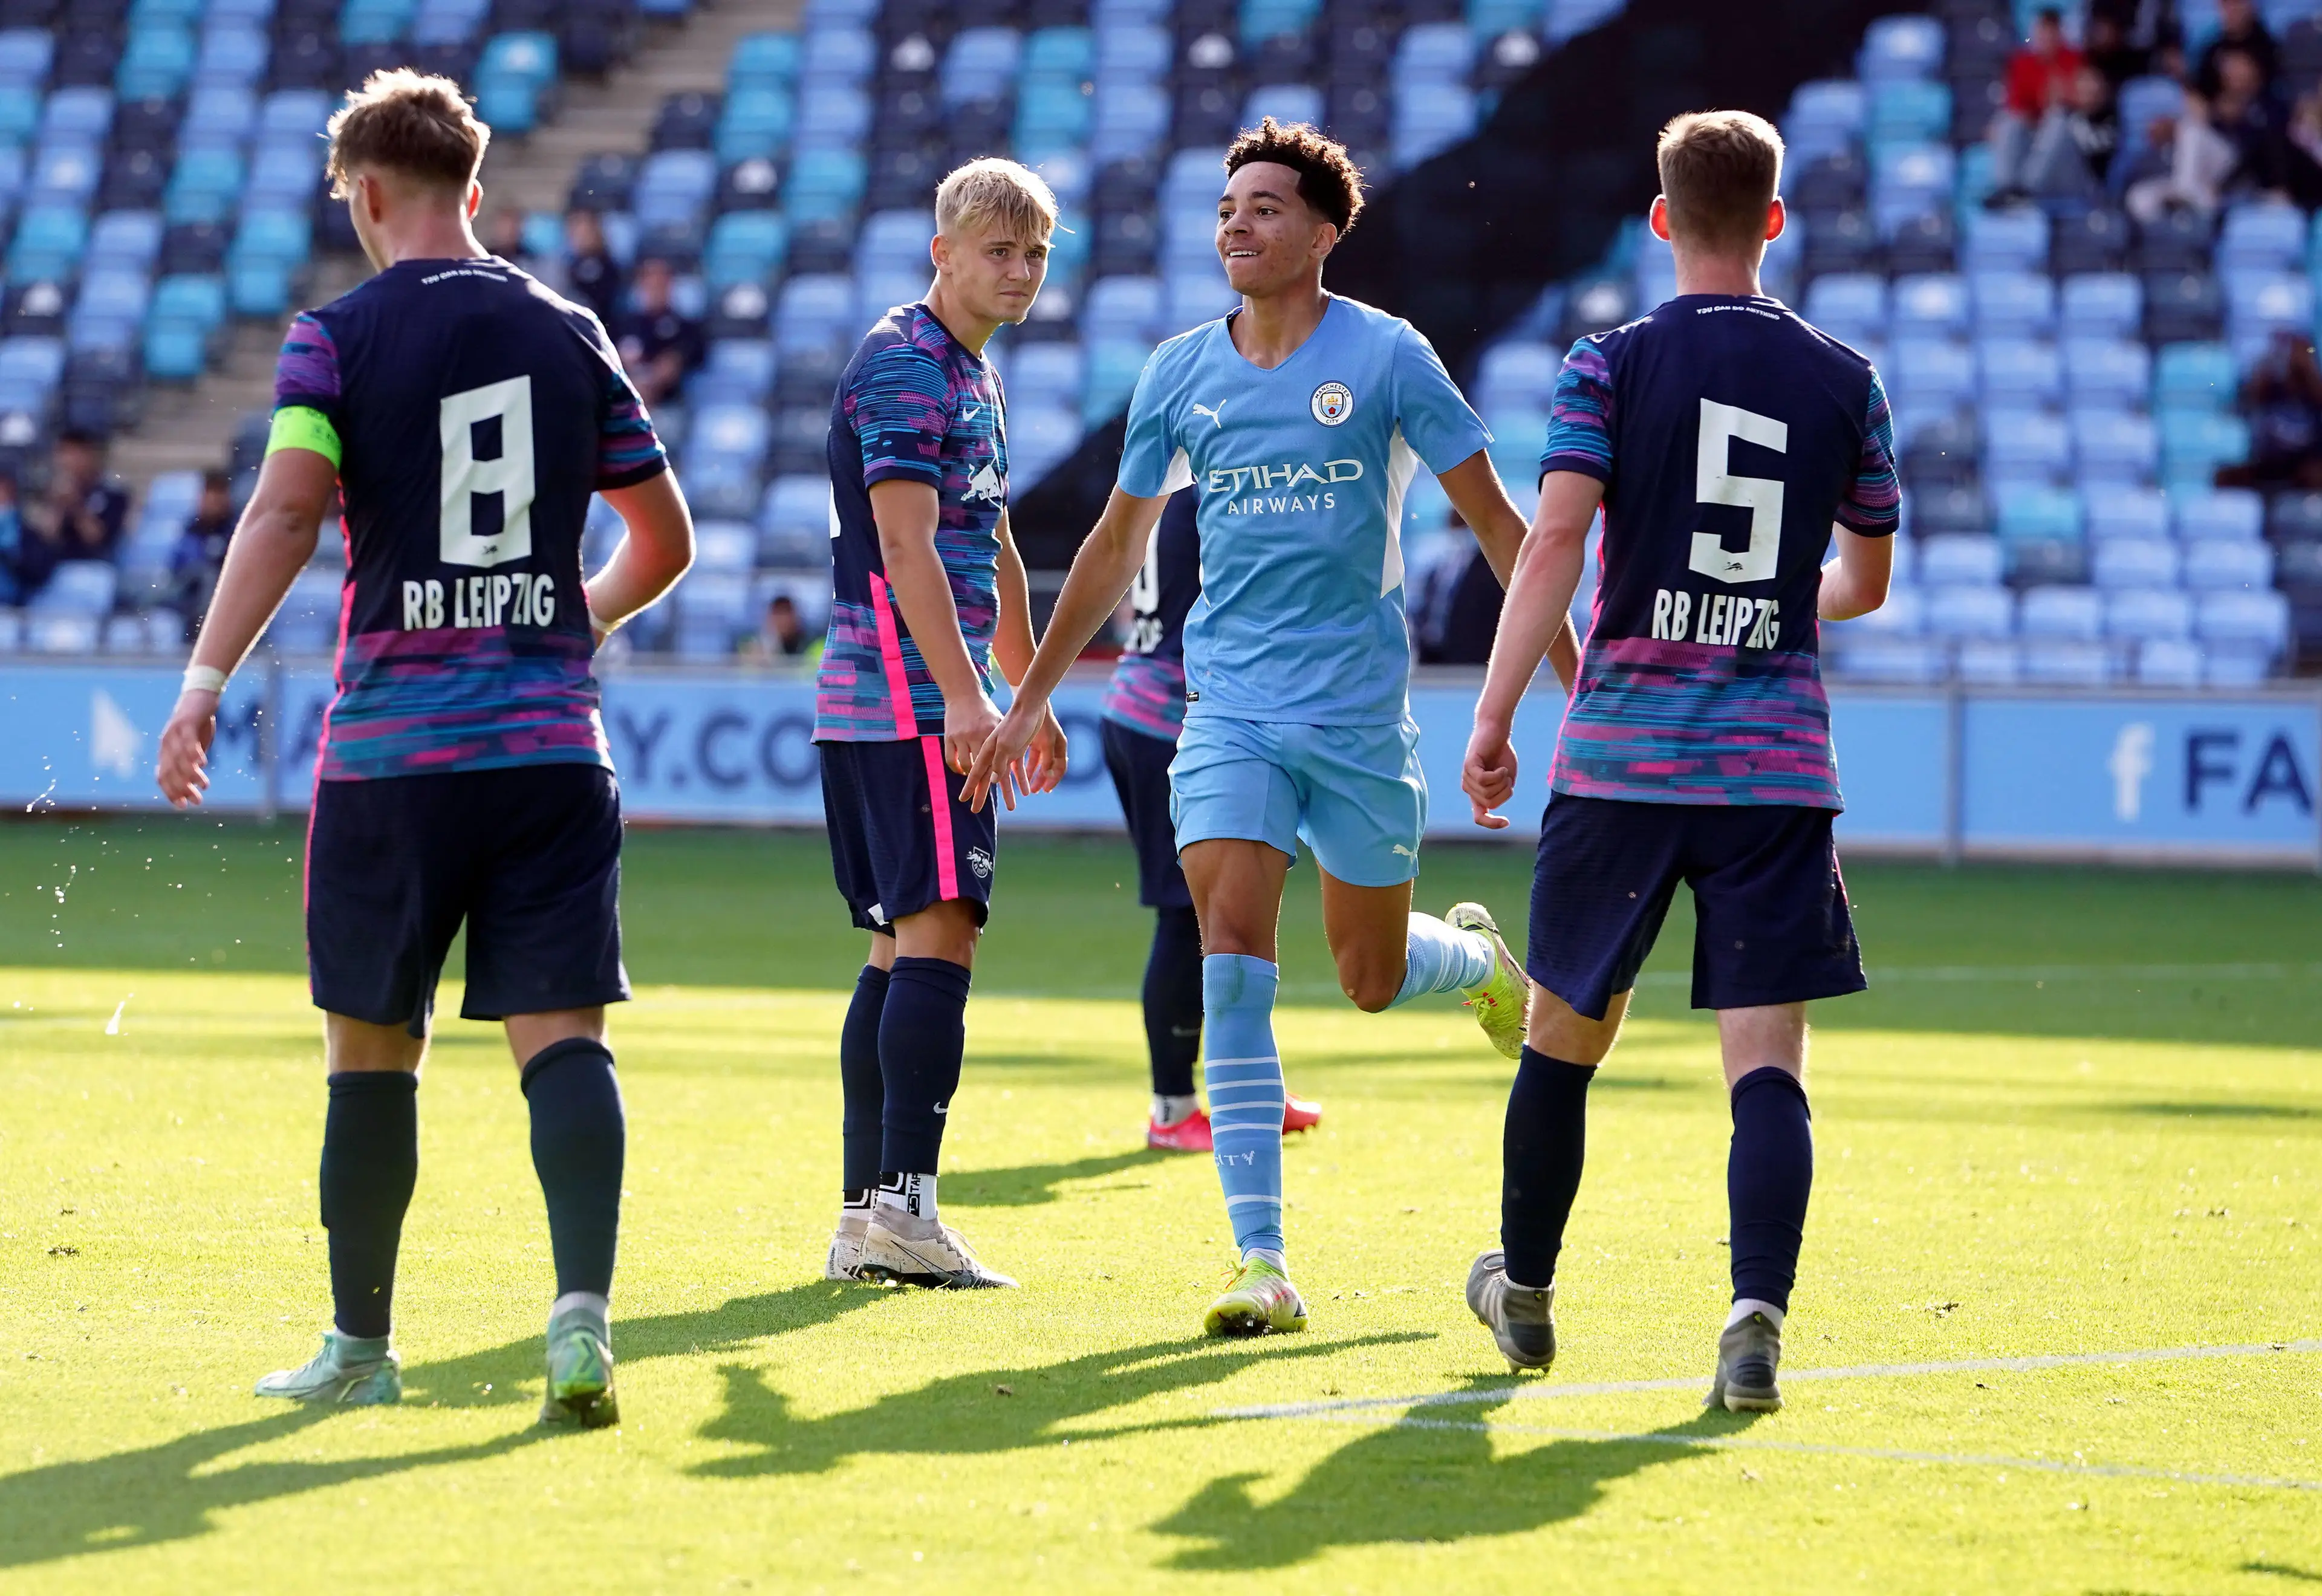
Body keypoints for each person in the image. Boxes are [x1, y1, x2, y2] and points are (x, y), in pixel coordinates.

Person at [968, 118, 1578, 1338]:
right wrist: (1028, 695)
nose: (1237, 225)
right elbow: (1114, 546)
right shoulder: (1179, 372)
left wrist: (1580, 685)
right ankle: (1263, 1261)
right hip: (1229, 712)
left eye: (1264, 207)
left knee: (1367, 977)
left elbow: (1506, 530)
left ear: (1325, 233)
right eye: (1226, 208)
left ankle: (1473, 963)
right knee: (1231, 954)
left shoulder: (1391, 357)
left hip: (1357, 719)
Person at [152, 70, 695, 1426]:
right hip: (551, 748)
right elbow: (664, 538)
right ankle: (580, 1322)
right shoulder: (571, 331)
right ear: (476, 189)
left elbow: (286, 515)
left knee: (371, 1053)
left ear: (370, 194)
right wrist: (574, 621)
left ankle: (361, 1348)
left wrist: (204, 682)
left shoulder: (330, 342)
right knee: (564, 1039)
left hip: (395, 757)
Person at [1458, 110, 1898, 1410]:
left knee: (1562, 1035)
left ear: (1661, 219)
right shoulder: (1846, 378)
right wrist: (1781, 594)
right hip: (1774, 769)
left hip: (1623, 762)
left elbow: (1554, 544)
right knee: (1768, 1062)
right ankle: (1755, 1311)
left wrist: (1494, 716)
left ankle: (1527, 1292)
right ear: (1774, 220)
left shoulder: (1610, 362)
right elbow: (1865, 583)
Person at [814, 157, 1067, 1292]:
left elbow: (992, 541)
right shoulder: (908, 366)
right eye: (998, 252)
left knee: (896, 943)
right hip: (909, 702)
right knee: (941, 935)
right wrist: (968, 698)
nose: (1020, 272)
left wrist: (1026, 690)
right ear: (943, 253)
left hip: (910, 700)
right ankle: (904, 1214)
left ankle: (867, 1220)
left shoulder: (971, 372)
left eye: (1035, 255)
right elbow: (906, 544)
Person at [1099, 487, 1322, 1153]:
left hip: (1149, 706)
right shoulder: (1224, 486)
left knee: (1233, 910)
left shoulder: (1167, 488)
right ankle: (1172, 1111)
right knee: (1188, 915)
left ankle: (1248, 1086)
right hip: (1176, 722)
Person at [1987, 9, 2086, 207]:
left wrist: (2062, 98)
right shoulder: (2022, 62)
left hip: (2069, 143)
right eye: (2042, 32)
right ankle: (2005, 187)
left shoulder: (2076, 59)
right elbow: (2017, 107)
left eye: (2051, 32)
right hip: (2033, 131)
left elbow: (2085, 101)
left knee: (2058, 120)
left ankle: (2026, 190)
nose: (2046, 38)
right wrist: (2042, 105)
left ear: (2059, 33)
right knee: (2008, 123)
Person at [2219, 329, 2322, 490]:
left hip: (2307, 463)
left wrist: (2307, 373)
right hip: (2266, 461)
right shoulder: (2266, 388)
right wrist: (2267, 372)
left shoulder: (2312, 392)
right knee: (2226, 477)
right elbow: (2247, 402)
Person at [614, 256, 703, 408]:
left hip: (669, 405)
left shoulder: (685, 327)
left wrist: (675, 362)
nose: (655, 290)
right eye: (650, 284)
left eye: (660, 284)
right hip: (628, 402)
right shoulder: (624, 324)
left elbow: (695, 355)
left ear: (670, 286)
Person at [29, 429, 129, 562]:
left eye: (75, 454)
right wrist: (58, 506)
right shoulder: (50, 488)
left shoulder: (112, 491)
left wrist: (75, 506)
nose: (68, 461)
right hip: (55, 564)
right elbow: (46, 536)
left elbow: (97, 539)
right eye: (64, 453)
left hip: (97, 563)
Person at [166, 469, 236, 631]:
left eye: (219, 494)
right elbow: (177, 568)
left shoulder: (237, 530)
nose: (214, 501)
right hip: (188, 596)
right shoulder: (190, 530)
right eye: (209, 493)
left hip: (228, 596)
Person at [2196, 0, 2281, 100]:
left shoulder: (2270, 49)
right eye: (2227, 4)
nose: (2232, 10)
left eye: (2237, 3)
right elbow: (2201, 90)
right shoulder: (2212, 50)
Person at [563, 207, 622, 325]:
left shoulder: (607, 266)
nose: (580, 238)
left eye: (584, 232)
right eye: (575, 232)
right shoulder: (569, 263)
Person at [742, 591, 818, 662]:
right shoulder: (758, 645)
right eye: (778, 614)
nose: (783, 620)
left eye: (786, 613)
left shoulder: (811, 644)